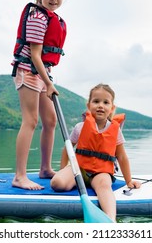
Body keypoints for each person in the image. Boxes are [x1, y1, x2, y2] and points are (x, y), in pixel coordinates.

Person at [50, 84, 141, 221]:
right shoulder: (80, 127)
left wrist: (129, 181)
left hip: (101, 172)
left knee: (104, 186)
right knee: (57, 183)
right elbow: (67, 150)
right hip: (79, 169)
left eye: (105, 102)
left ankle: (110, 219)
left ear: (112, 108)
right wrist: (64, 170)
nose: (100, 106)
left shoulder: (115, 131)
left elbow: (122, 157)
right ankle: (73, 180)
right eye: (96, 101)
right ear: (89, 105)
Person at [11, 0, 67, 190]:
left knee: (50, 121)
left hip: (41, 74)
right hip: (28, 71)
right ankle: (20, 176)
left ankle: (45, 168)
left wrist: (48, 81)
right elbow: (35, 55)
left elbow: (43, 59)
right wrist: (49, 83)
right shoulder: (37, 17)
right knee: (31, 121)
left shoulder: (52, 18)